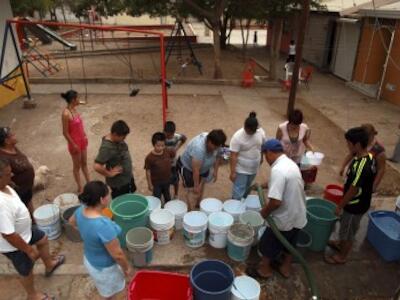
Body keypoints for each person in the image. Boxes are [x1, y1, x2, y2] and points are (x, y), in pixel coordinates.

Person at [0, 158, 65, 300]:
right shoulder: (1, 205)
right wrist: (29, 250)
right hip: (14, 243)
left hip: (25, 231)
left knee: (42, 238)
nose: (11, 176)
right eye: (7, 174)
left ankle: (49, 264)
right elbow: (8, 235)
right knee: (26, 269)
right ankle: (32, 295)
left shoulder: (5, 186)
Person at [247, 139, 307, 279]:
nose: (266, 159)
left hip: (283, 218)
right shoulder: (289, 163)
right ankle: (285, 268)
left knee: (267, 244)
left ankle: (264, 270)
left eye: (265, 154)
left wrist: (264, 213)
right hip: (298, 213)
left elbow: (275, 203)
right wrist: (262, 185)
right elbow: (279, 183)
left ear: (269, 152)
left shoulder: (278, 170)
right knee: (290, 243)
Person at [69, 181, 132, 299]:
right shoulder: (103, 226)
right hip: (105, 270)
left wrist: (86, 233)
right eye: (109, 194)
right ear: (102, 200)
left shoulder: (81, 210)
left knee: (104, 289)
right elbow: (118, 255)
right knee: (113, 292)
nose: (110, 195)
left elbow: (71, 222)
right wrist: (127, 268)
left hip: (89, 261)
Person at [326, 127, 376, 264]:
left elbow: (353, 189)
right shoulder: (368, 157)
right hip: (360, 202)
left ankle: (342, 256)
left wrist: (340, 206)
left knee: (348, 232)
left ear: (357, 145)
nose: (347, 146)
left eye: (349, 143)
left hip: (354, 205)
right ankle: (340, 243)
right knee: (346, 227)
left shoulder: (362, 166)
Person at [177, 130, 226, 210]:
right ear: (209, 141)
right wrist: (196, 186)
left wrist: (215, 171)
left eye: (218, 147)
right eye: (214, 147)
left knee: (201, 184)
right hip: (188, 167)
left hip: (204, 167)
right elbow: (196, 170)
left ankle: (198, 204)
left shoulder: (217, 144)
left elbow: (218, 156)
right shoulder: (199, 149)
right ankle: (190, 209)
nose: (215, 149)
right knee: (192, 189)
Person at [94, 120, 136, 199]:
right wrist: (109, 174)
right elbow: (97, 166)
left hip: (127, 178)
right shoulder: (106, 148)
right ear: (115, 134)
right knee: (122, 202)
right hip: (119, 183)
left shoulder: (115, 139)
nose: (124, 139)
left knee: (130, 197)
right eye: (123, 137)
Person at [0, 127, 35, 219]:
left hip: (26, 187)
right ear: (7, 141)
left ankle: (33, 218)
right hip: (19, 190)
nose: (15, 135)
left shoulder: (13, 147)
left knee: (29, 201)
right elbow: (6, 176)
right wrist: (16, 189)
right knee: (23, 210)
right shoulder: (3, 158)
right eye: (12, 135)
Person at [229, 112, 266, 200]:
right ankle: (235, 205)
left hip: (254, 168)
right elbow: (233, 155)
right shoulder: (237, 137)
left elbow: (261, 146)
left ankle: (243, 203)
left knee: (247, 187)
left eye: (252, 132)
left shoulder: (260, 132)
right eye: (248, 131)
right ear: (245, 127)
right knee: (238, 190)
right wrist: (233, 172)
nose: (250, 133)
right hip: (241, 169)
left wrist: (261, 157)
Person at [339, 123, 385, 192]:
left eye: (367, 136)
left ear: (372, 135)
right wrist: (343, 167)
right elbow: (351, 154)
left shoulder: (379, 150)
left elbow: (381, 169)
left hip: (366, 179)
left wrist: (374, 186)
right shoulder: (360, 143)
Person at [61, 90, 89, 193]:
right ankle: (80, 186)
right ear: (73, 100)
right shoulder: (65, 114)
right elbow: (65, 132)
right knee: (77, 166)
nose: (78, 100)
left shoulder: (74, 108)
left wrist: (85, 135)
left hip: (82, 140)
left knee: (84, 163)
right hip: (74, 143)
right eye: (77, 98)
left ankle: (89, 182)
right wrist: (73, 144)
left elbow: (80, 125)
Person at [145, 132, 175, 203]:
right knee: (157, 199)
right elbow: (148, 171)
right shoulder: (149, 158)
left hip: (166, 181)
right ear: (153, 144)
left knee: (167, 196)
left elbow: (172, 156)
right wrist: (150, 184)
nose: (161, 148)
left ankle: (168, 209)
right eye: (158, 146)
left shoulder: (167, 151)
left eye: (163, 145)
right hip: (156, 183)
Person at [164, 121, 187, 199]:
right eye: (168, 135)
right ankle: (166, 193)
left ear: (174, 132)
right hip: (164, 164)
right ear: (164, 132)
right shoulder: (161, 138)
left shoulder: (176, 136)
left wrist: (176, 148)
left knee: (175, 180)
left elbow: (184, 138)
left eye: (171, 135)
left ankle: (176, 194)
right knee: (165, 180)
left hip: (173, 164)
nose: (169, 137)